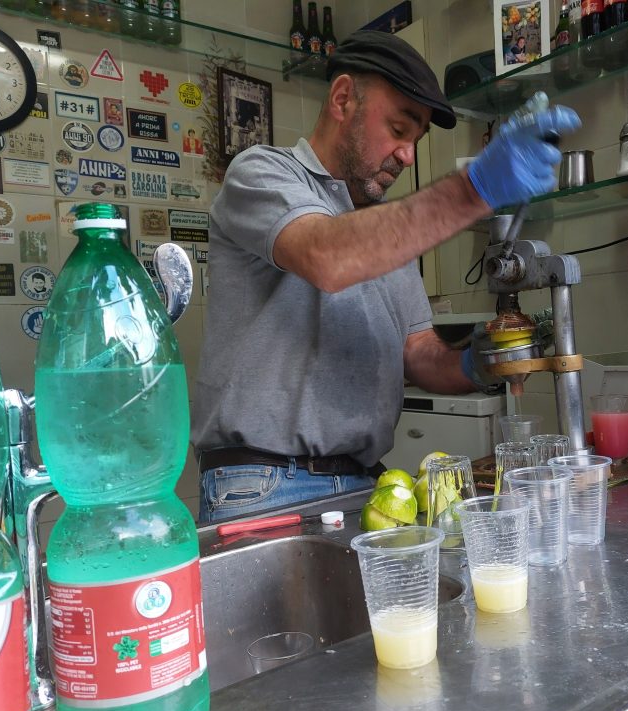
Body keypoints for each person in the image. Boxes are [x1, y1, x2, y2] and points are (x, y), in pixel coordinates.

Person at [192, 30, 579, 523]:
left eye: (415, 141)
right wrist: (474, 190)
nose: (407, 155)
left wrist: (478, 363)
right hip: (262, 486)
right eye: (399, 129)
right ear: (343, 98)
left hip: (367, 483)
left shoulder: (387, 230)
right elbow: (326, 256)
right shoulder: (261, 174)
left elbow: (418, 354)